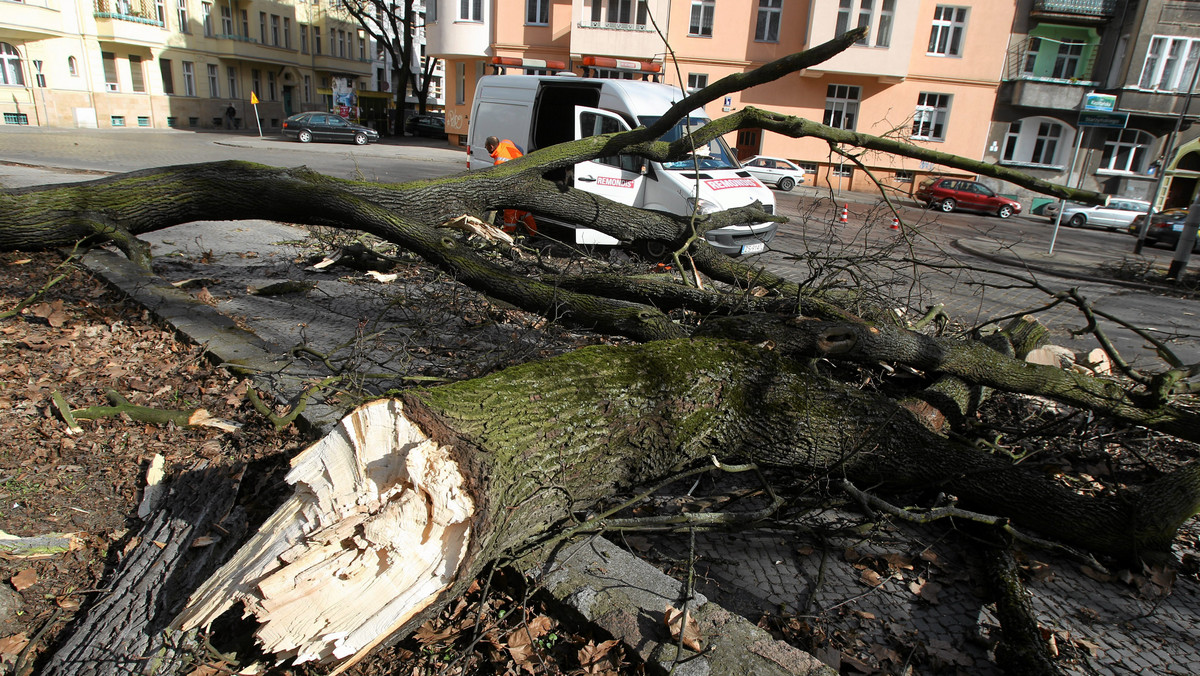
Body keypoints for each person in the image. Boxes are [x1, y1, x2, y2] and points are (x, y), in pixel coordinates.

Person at [484, 136, 536, 236]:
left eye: (486, 147)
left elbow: (501, 183)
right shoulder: (506, 142)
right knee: (524, 211)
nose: (485, 148)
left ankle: (508, 234)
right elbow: (519, 149)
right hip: (525, 177)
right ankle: (534, 233)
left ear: (491, 146)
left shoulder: (500, 161)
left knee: (510, 211)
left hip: (516, 185)